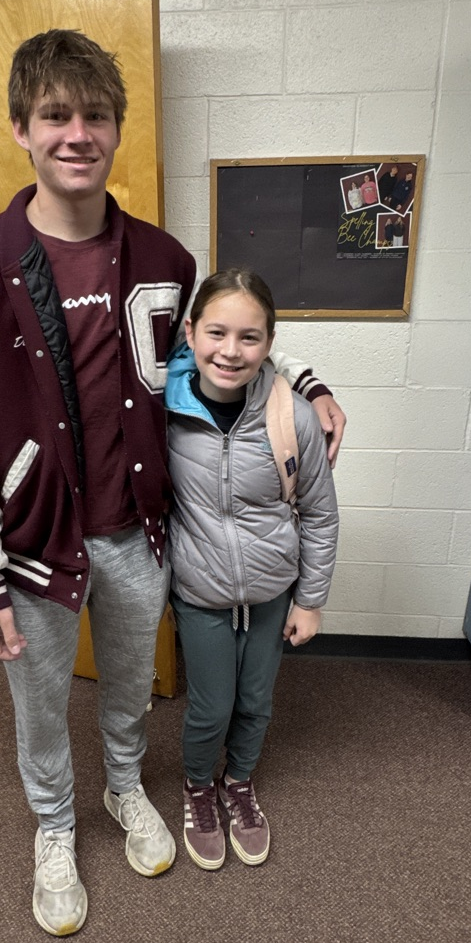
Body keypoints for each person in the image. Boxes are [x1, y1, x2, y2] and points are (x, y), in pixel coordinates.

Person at [0, 29, 347, 937]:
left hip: (138, 530)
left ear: (116, 130)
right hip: (32, 543)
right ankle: (55, 825)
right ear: (21, 130)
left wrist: (299, 376)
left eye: (95, 115)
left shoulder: (163, 259)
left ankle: (120, 788)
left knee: (125, 686)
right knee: (38, 702)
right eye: (55, 115)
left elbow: (217, 348)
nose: (77, 133)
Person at [165, 268, 338, 870]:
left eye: (249, 338)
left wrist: (310, 600)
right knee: (211, 705)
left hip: (272, 592)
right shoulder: (163, 408)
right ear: (190, 333)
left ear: (269, 343)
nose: (230, 352)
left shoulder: (294, 417)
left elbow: (319, 514)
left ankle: (238, 783)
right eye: (216, 333)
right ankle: (197, 787)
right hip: (201, 591)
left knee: (256, 701)